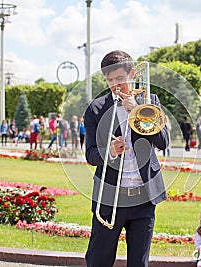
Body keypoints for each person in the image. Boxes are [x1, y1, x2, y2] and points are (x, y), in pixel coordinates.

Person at [84, 50, 169, 267]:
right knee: (98, 260)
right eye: (109, 80)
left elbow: (163, 142)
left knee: (139, 263)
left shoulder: (149, 101)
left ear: (132, 74)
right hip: (110, 195)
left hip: (144, 197)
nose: (115, 85)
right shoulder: (95, 109)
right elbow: (91, 155)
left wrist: (137, 111)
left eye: (120, 79)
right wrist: (110, 151)